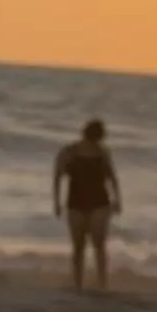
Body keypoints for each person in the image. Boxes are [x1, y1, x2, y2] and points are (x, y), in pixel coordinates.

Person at [52, 119, 121, 290]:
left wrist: (117, 199)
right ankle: (78, 283)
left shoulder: (102, 153)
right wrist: (56, 202)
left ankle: (102, 283)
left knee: (98, 243)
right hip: (76, 203)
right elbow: (58, 177)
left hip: (99, 203)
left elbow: (112, 178)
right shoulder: (69, 152)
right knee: (79, 246)